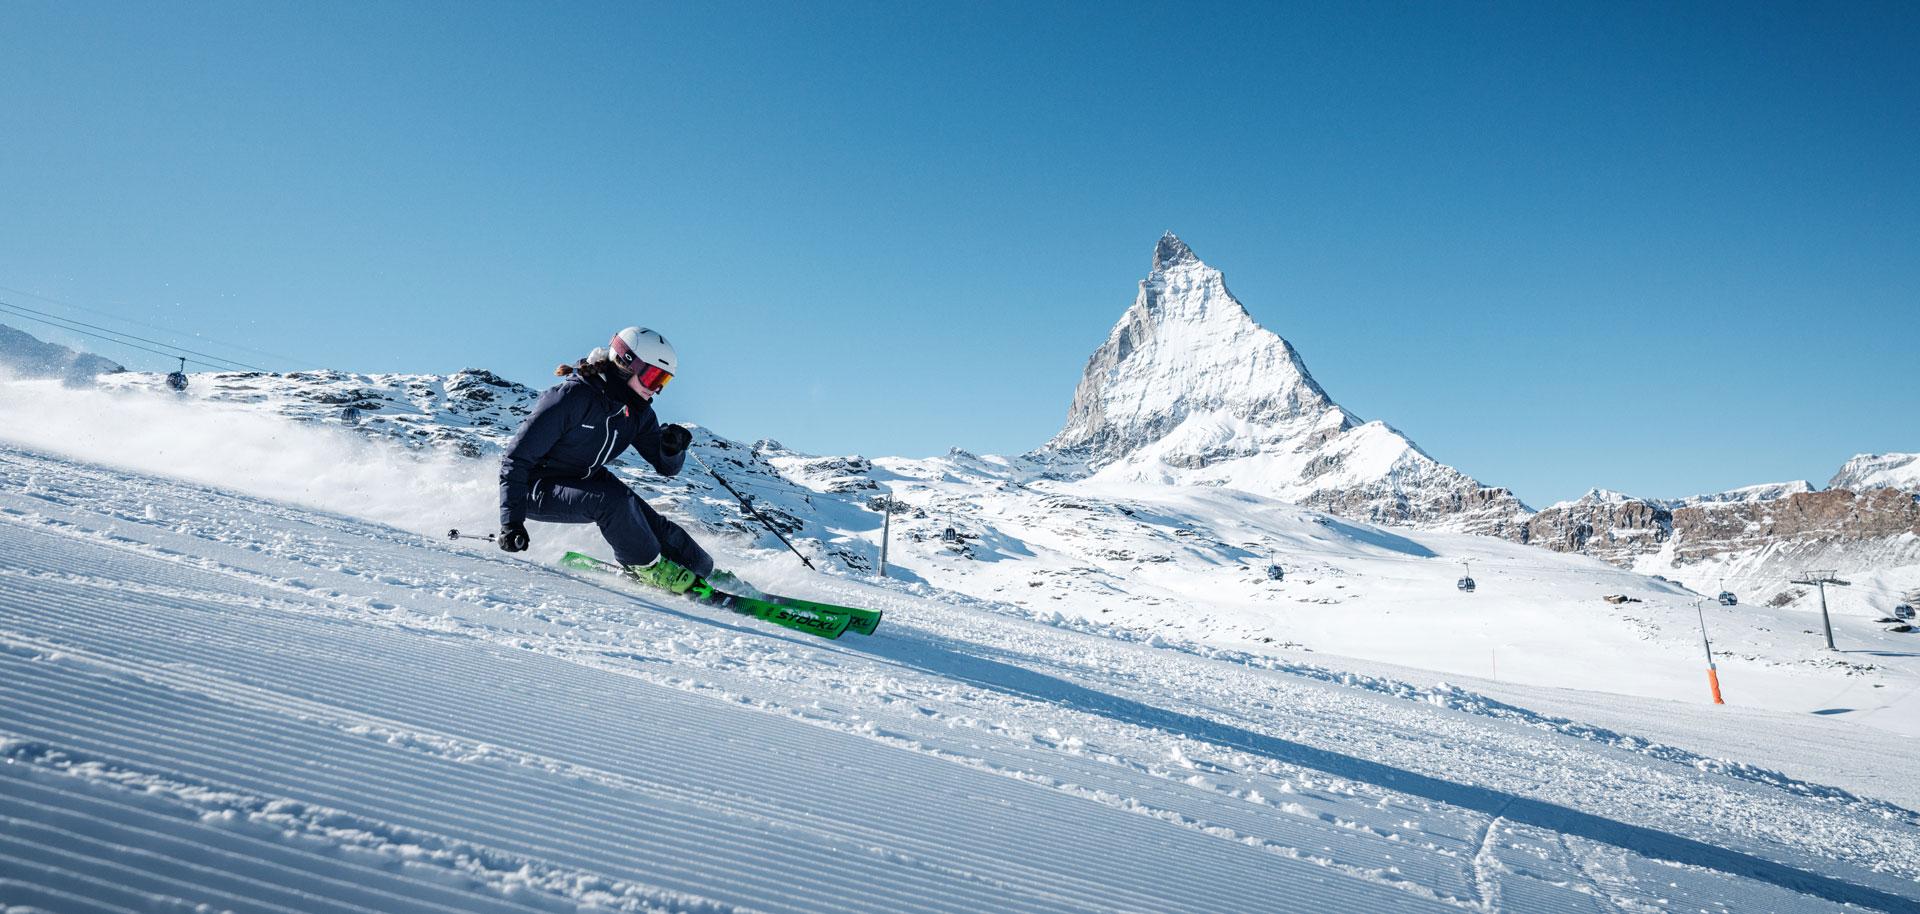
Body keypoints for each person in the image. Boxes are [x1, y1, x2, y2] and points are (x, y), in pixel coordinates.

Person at [496, 326, 713, 593]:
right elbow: (515, 460)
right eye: (653, 377)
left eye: (663, 382)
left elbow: (666, 468)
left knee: (653, 524)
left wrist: (671, 449)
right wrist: (511, 522)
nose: (655, 390)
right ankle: (646, 567)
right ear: (626, 363)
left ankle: (701, 569)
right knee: (613, 503)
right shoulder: (570, 398)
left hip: (585, 480)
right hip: (536, 487)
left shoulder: (637, 411)